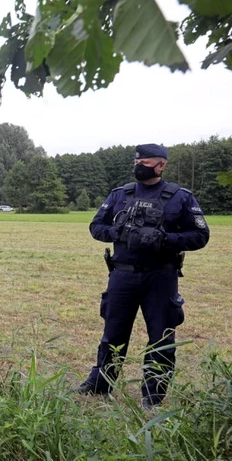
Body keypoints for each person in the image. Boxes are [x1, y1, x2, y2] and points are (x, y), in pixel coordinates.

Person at [76, 143, 210, 408]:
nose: (139, 167)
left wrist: (164, 240)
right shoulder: (120, 195)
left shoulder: (180, 197)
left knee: (161, 336)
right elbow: (96, 226)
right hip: (122, 276)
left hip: (160, 277)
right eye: (136, 162)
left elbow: (200, 235)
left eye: (145, 163)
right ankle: (99, 385)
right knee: (112, 334)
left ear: (161, 165)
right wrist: (118, 233)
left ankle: (153, 395)